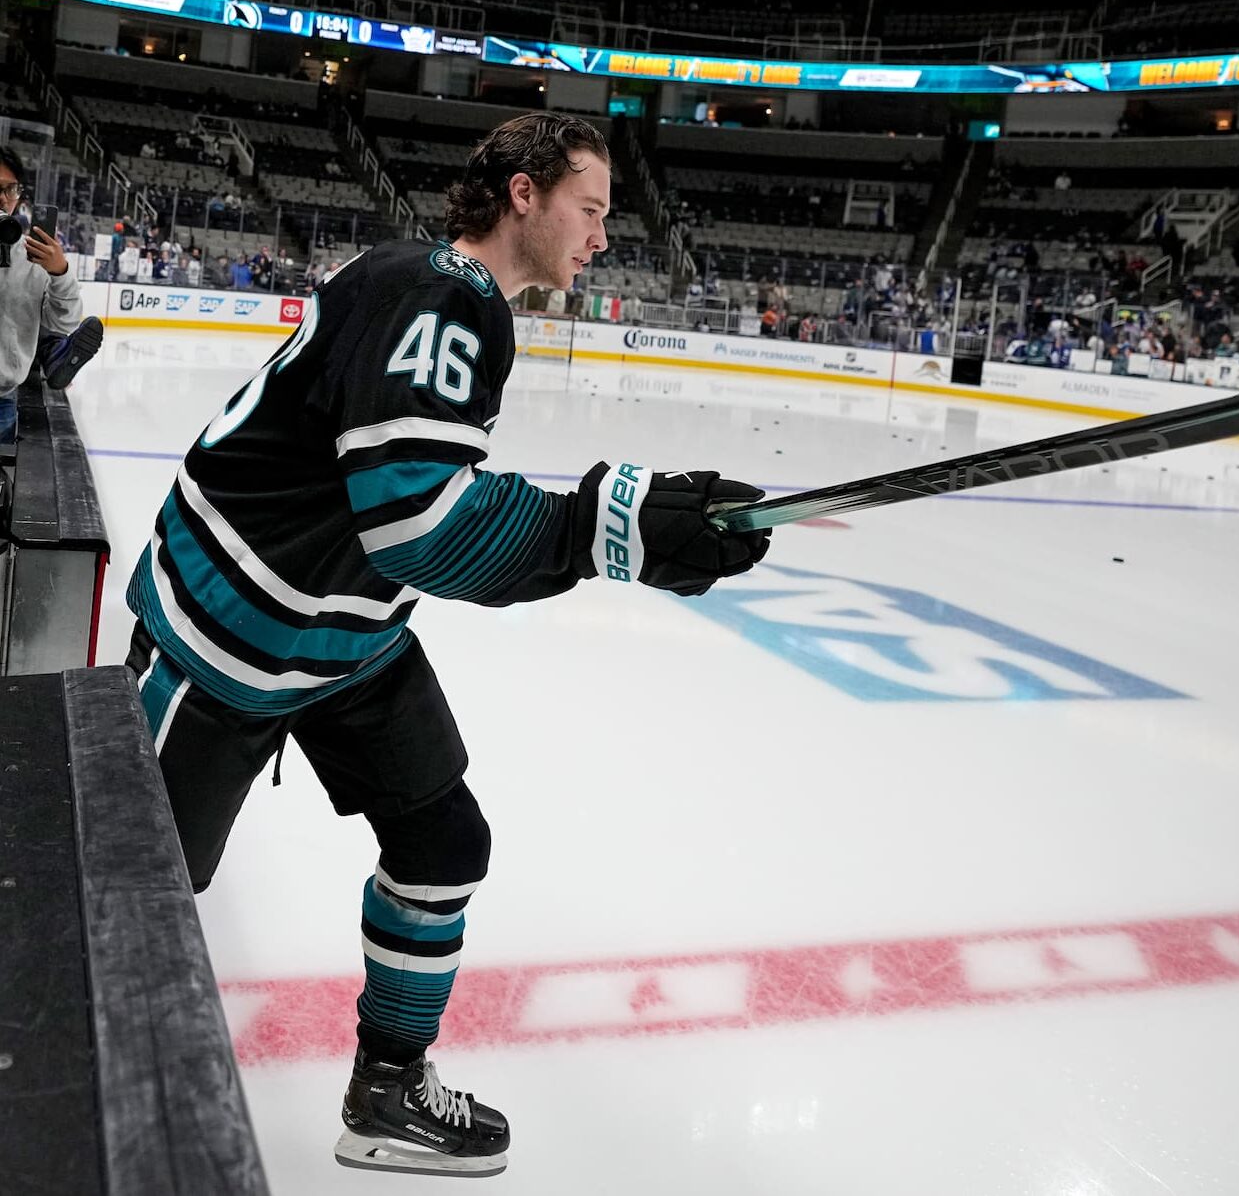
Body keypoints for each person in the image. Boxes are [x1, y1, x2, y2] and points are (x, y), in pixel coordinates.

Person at [121, 113, 770, 1179]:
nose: (603, 236)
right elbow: (417, 523)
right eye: (591, 209)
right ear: (524, 194)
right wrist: (608, 529)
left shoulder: (434, 292)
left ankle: (387, 1092)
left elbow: (397, 519)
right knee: (137, 890)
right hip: (225, 635)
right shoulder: (444, 301)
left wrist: (625, 528)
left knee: (442, 844)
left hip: (344, 634)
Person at [0, 146, 103, 444]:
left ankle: (54, 353)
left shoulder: (31, 256)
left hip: (3, 398)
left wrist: (60, 272)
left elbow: (63, 321)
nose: (4, 199)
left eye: (11, 189)